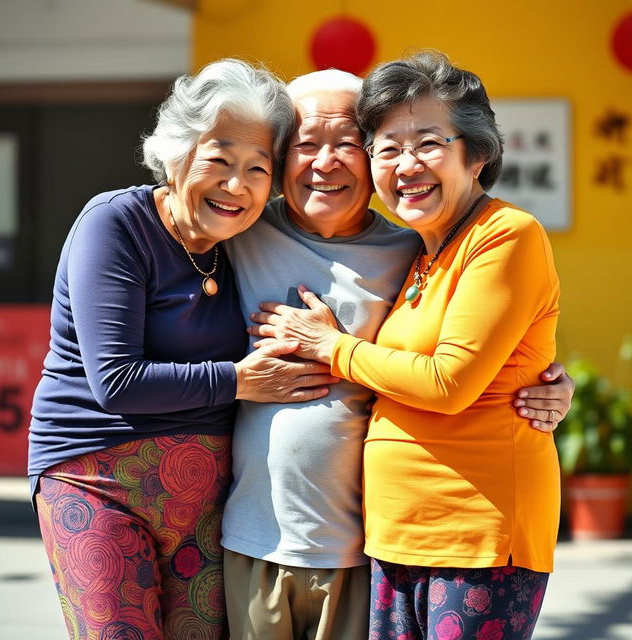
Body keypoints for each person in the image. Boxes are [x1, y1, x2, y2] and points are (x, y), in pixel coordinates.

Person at [225, 65, 571, 639]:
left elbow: (452, 378)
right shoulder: (424, 250)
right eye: (389, 148)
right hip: (391, 534)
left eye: (429, 144)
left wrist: (331, 345)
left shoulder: (502, 235)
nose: (407, 165)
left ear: (477, 153)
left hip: (473, 535)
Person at [28, 59, 338, 640]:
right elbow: (116, 379)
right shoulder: (116, 224)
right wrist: (240, 381)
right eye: (218, 160)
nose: (237, 185)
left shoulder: (247, 242)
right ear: (176, 154)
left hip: (206, 493)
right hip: (98, 475)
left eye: (257, 168)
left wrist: (530, 376)